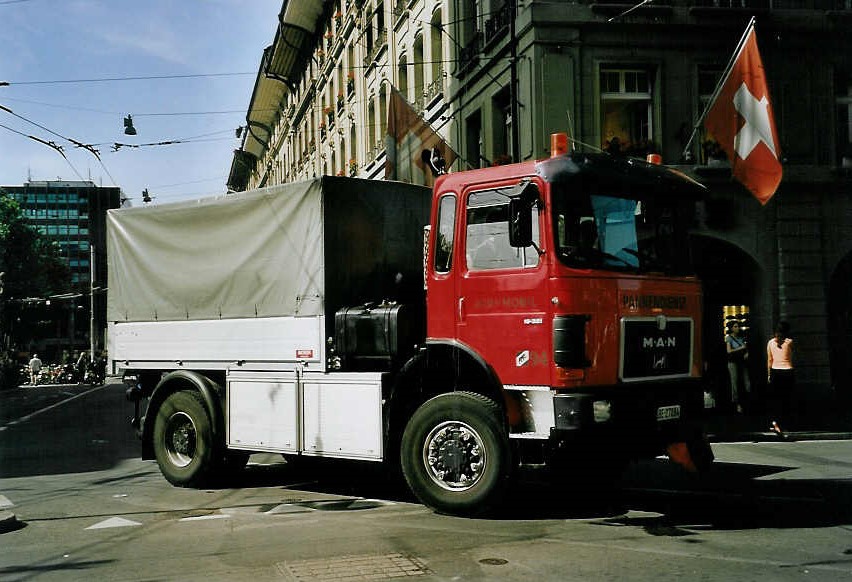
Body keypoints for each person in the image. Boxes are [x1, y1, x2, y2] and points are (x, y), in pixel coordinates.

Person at [767, 321, 795, 437]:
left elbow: (769, 359)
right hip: (787, 371)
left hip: (777, 372)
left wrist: (769, 374)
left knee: (777, 399)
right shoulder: (789, 342)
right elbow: (793, 355)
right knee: (786, 399)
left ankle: (776, 423)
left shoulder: (771, 343)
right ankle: (783, 423)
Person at [725, 321, 751, 413]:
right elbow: (729, 351)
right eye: (735, 326)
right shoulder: (729, 338)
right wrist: (741, 348)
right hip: (733, 362)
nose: (738, 328)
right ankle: (737, 403)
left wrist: (746, 353)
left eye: (738, 326)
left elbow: (746, 348)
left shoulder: (741, 337)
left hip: (742, 362)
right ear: (731, 328)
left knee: (747, 382)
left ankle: (747, 401)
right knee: (735, 382)